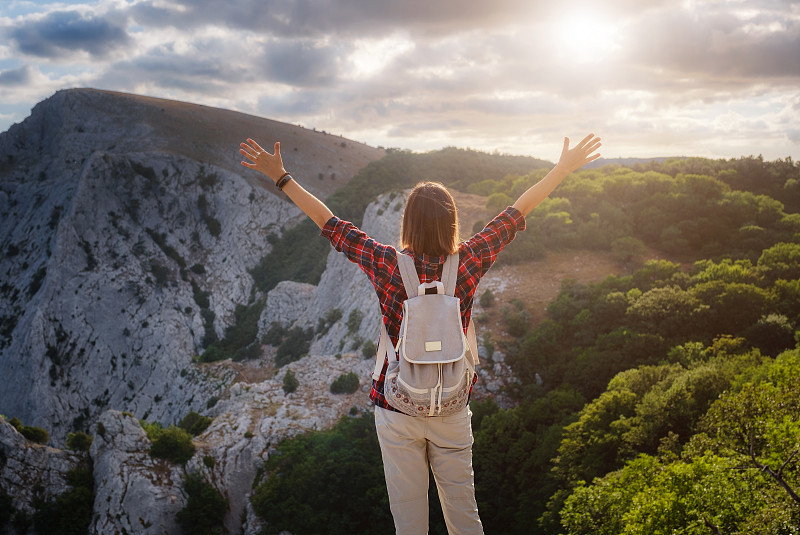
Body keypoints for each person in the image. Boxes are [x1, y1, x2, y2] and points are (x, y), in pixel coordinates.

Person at [239, 134, 601, 535]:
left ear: (407, 222)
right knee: (464, 516)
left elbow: (331, 225)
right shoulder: (470, 260)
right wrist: (563, 169)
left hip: (397, 408)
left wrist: (283, 178)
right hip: (452, 409)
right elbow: (516, 212)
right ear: (451, 222)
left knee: (409, 524)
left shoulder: (388, 265)